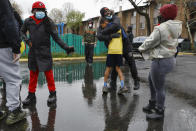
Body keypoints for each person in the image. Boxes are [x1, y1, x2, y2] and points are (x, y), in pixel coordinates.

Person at [21, 1, 74, 106]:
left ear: (44, 11)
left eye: (42, 10)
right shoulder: (28, 21)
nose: (40, 12)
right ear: (33, 11)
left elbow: (56, 37)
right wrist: (27, 41)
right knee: (33, 74)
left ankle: (52, 94)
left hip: (45, 51)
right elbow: (21, 31)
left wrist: (66, 47)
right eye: (38, 10)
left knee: (49, 74)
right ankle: (31, 95)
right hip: (33, 51)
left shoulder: (48, 22)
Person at [139, 4, 182, 119]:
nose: (159, 15)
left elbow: (150, 42)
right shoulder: (176, 26)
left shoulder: (161, 28)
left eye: (161, 13)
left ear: (164, 15)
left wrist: (141, 49)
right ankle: (152, 103)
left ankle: (159, 111)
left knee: (159, 87)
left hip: (161, 60)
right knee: (151, 79)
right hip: (170, 59)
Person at [99, 7, 140, 90]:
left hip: (125, 45)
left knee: (131, 62)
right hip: (115, 47)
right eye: (105, 12)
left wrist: (104, 32)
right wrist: (110, 36)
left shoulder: (115, 18)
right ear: (103, 14)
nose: (108, 12)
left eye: (108, 10)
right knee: (115, 66)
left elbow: (116, 26)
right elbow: (99, 36)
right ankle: (113, 85)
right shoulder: (103, 22)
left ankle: (136, 81)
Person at [0, 0, 26, 125]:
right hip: (3, 46)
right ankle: (14, 111)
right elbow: (9, 23)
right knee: (12, 79)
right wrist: (16, 46)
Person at [99, 18, 128, 94]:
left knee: (108, 69)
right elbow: (125, 38)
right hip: (119, 51)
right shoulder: (120, 28)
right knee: (118, 69)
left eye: (102, 25)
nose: (103, 27)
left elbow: (104, 38)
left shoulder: (108, 29)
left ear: (105, 22)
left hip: (111, 50)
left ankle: (105, 86)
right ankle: (122, 86)